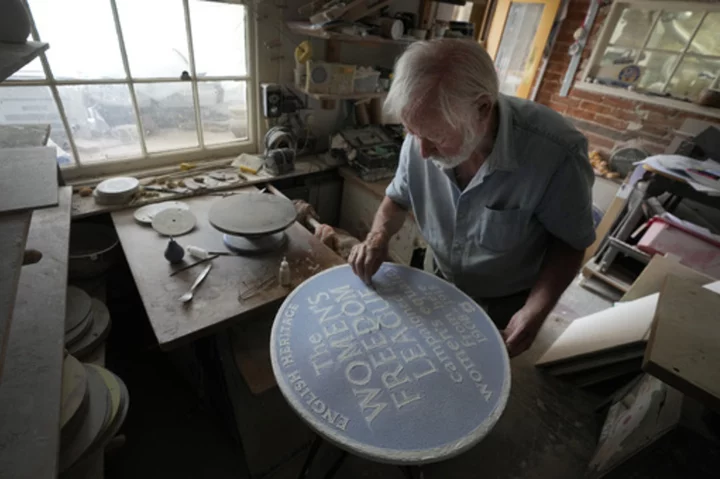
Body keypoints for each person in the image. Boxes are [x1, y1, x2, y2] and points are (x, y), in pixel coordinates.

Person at [348, 39, 595, 357]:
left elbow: (570, 244)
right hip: (436, 277)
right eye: (412, 132)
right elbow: (397, 199)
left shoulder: (557, 153)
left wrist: (536, 310)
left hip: (504, 300)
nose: (422, 151)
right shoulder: (424, 130)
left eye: (436, 137)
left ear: (482, 109)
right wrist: (378, 237)